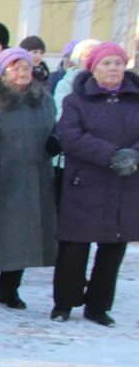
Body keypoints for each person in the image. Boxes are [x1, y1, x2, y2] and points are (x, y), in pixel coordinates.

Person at [52, 42, 138, 325]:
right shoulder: (76, 100)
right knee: (74, 248)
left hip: (125, 184)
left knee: (112, 249)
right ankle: (64, 303)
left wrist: (132, 155)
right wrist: (111, 155)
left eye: (117, 63)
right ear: (93, 68)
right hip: (86, 183)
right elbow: (70, 136)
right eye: (106, 64)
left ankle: (98, 307)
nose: (112, 69)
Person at [0, 48, 56, 309]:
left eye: (26, 68)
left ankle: (10, 291)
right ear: (3, 71)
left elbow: (55, 128)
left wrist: (56, 141)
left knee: (23, 237)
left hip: (34, 176)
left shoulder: (43, 100)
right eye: (15, 68)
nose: (21, 73)